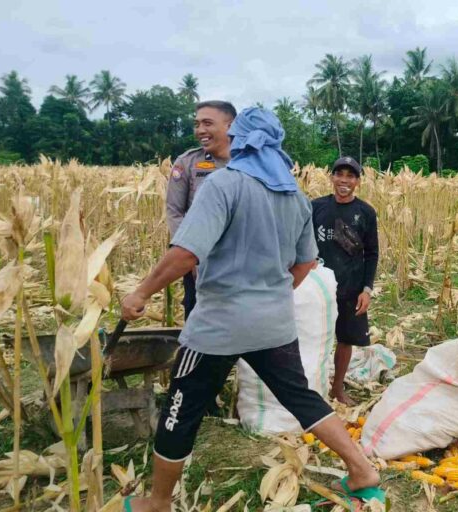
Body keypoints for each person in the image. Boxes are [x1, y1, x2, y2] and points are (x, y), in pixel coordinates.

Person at [121, 108, 382, 512]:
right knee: (304, 399)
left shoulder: (223, 185)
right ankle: (362, 472)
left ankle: (157, 502)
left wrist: (140, 294)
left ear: (239, 140)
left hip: (218, 325)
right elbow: (304, 264)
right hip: (274, 324)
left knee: (180, 407)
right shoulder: (294, 196)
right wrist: (274, 294)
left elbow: (186, 253)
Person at [312, 157, 379, 406]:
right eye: (339, 174)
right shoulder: (316, 207)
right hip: (318, 287)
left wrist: (367, 289)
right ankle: (311, 386)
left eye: (350, 176)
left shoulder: (366, 213)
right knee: (314, 336)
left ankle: (337, 388)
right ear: (331, 177)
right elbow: (303, 244)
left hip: (351, 288)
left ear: (358, 182)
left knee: (346, 339)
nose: (344, 180)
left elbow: (372, 253)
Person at [166, 100, 236, 319]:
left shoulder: (250, 161)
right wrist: (192, 257)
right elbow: (175, 212)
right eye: (197, 124)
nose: (200, 130)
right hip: (199, 262)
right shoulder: (187, 162)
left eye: (207, 123)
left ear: (230, 125)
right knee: (198, 322)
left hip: (241, 262)